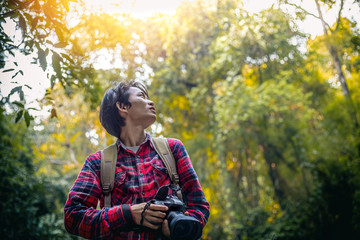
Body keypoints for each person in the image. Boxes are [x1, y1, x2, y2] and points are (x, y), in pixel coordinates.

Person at [64, 81, 210, 239]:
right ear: (123, 107)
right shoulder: (97, 163)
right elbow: (73, 217)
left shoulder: (173, 149)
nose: (151, 102)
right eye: (141, 96)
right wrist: (128, 214)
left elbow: (199, 206)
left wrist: (179, 228)